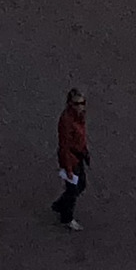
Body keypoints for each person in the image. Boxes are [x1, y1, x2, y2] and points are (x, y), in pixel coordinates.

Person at [52, 88, 91, 230]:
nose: (80, 106)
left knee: (80, 185)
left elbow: (81, 137)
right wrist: (68, 168)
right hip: (70, 159)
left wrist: (85, 150)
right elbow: (65, 147)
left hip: (78, 156)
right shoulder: (66, 121)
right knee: (73, 189)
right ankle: (66, 218)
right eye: (77, 103)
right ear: (70, 104)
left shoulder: (79, 116)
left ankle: (59, 205)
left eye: (82, 103)